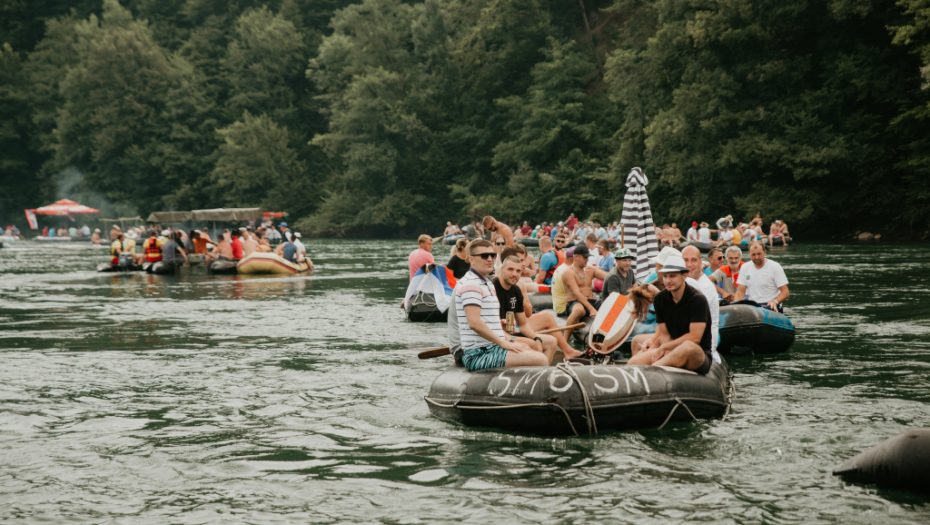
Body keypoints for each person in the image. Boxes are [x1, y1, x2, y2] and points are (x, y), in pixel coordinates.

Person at [452, 239, 549, 370]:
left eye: (492, 255)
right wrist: (503, 343)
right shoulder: (471, 284)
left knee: (533, 350)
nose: (489, 259)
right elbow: (474, 322)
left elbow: (484, 320)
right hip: (479, 353)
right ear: (472, 260)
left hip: (491, 347)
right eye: (484, 256)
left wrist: (498, 325)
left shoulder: (487, 283)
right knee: (540, 359)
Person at [627, 255, 715, 374]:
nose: (668, 280)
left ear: (684, 276)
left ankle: (653, 370)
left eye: (672, 276)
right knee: (632, 363)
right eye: (665, 276)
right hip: (672, 349)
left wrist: (664, 348)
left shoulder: (698, 299)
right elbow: (665, 334)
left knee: (687, 346)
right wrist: (663, 350)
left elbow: (695, 338)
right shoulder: (659, 298)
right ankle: (652, 370)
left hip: (698, 355)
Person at [492, 255, 559, 363]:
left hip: (510, 333)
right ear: (502, 269)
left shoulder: (516, 290)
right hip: (496, 337)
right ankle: (538, 367)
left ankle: (542, 373)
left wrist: (536, 338)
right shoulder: (492, 288)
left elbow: (523, 325)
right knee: (534, 346)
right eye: (510, 269)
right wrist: (533, 342)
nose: (514, 274)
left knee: (551, 341)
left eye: (518, 271)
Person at [552, 245, 608, 339]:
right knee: (579, 310)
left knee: (609, 306)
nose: (587, 260)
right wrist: (591, 309)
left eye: (588, 257)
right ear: (576, 257)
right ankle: (565, 340)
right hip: (574, 302)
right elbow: (576, 294)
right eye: (585, 257)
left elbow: (609, 276)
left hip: (591, 300)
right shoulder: (568, 272)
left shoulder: (590, 270)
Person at [682, 246, 720, 355]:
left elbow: (687, 320)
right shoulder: (685, 283)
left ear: (700, 263)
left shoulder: (704, 288)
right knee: (637, 341)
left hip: (704, 343)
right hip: (688, 338)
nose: (689, 265)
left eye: (693, 260)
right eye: (685, 260)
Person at [734, 241, 789, 312]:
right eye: (753, 254)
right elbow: (740, 292)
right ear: (749, 254)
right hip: (752, 305)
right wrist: (736, 308)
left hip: (770, 305)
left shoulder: (775, 267)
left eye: (759, 254)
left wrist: (775, 301)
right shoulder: (744, 267)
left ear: (764, 252)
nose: (756, 257)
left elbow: (785, 292)